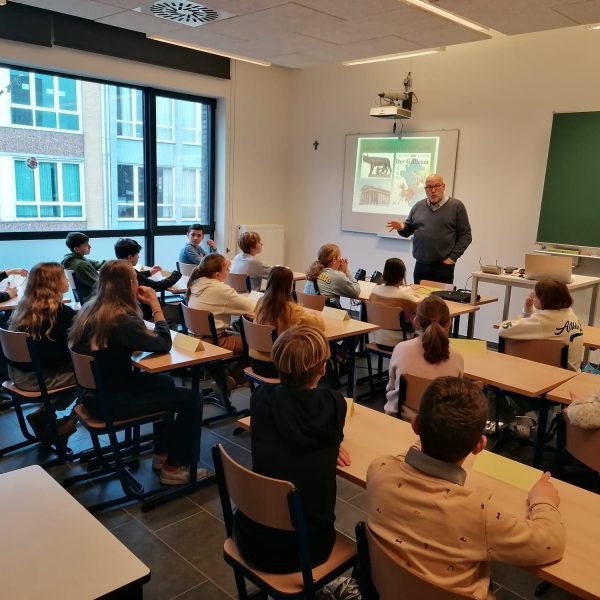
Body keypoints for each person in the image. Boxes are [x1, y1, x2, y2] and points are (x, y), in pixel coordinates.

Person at [367, 376, 566, 600]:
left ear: (415, 425)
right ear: (479, 446)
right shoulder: (480, 513)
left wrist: (421, 445)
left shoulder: (378, 471)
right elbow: (550, 543)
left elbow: (401, 459)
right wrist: (543, 500)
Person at [69, 260, 204, 485]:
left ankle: (162, 454)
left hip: (92, 395)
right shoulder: (121, 319)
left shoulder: (91, 310)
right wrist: (156, 307)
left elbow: (115, 345)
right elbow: (163, 343)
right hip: (112, 402)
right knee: (193, 398)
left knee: (165, 382)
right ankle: (174, 467)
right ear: (130, 284)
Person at [233, 325, 350, 573]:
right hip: (308, 547)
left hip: (251, 535)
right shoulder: (335, 405)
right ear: (323, 367)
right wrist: (332, 443)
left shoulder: (260, 398)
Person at [8, 263, 77, 443]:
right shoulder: (61, 314)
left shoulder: (25, 309)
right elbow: (56, 356)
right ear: (53, 283)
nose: (67, 279)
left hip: (17, 375)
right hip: (36, 380)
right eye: (63, 277)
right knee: (93, 375)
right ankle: (69, 421)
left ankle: (44, 414)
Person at [385, 295, 463, 420]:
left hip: (402, 420)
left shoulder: (401, 349)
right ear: (449, 323)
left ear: (416, 321)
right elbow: (456, 399)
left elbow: (391, 388)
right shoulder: (457, 358)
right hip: (440, 426)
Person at [387, 173, 472, 284]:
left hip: (443, 266)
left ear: (443, 187)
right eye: (429, 187)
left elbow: (466, 236)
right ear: (425, 189)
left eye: (437, 186)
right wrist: (401, 227)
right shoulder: (418, 206)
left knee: (440, 300)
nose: (433, 190)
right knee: (419, 300)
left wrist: (452, 258)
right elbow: (408, 231)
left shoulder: (456, 206)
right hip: (420, 265)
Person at [252, 265, 325, 377]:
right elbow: (320, 326)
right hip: (279, 366)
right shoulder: (292, 310)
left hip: (255, 362)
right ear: (289, 285)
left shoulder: (260, 303)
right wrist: (314, 315)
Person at [499, 279, 583, 372]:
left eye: (535, 295)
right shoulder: (569, 312)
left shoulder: (544, 320)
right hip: (574, 372)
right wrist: (528, 308)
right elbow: (537, 325)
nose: (533, 297)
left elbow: (503, 330)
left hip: (558, 374)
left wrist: (511, 321)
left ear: (544, 300)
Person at [186, 253, 253, 363]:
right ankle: (231, 378)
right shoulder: (220, 290)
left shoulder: (195, 284)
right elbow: (250, 307)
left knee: (240, 336)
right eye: (227, 269)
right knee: (257, 344)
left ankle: (227, 376)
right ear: (217, 275)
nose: (229, 272)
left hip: (193, 340)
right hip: (212, 342)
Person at [114, 238, 182, 320]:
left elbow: (140, 276)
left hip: (135, 309)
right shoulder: (132, 273)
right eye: (137, 254)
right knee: (181, 312)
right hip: (148, 312)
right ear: (130, 257)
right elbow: (158, 286)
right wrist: (176, 274)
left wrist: (149, 272)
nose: (138, 257)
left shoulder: (117, 269)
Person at [368, 257, 421, 348]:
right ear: (402, 275)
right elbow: (422, 308)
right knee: (424, 322)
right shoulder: (404, 297)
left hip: (378, 339)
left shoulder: (374, 291)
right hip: (400, 342)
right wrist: (415, 295)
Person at [61, 231, 106, 303]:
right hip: (93, 300)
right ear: (76, 249)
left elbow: (98, 264)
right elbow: (99, 286)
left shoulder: (75, 259)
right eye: (86, 245)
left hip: (88, 298)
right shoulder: (80, 265)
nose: (90, 246)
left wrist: (115, 264)